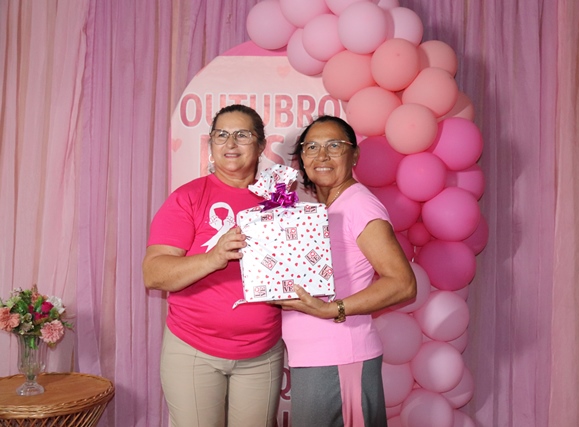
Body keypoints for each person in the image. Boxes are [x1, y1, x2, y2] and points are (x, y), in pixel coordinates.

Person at [142, 104, 284, 427]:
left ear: (261, 145)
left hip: (261, 352)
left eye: (242, 135)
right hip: (193, 349)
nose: (230, 143)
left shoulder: (279, 202)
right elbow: (153, 274)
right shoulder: (188, 197)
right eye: (221, 135)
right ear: (211, 144)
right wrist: (213, 258)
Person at [276, 115, 417, 427]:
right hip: (316, 359)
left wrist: (333, 309)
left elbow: (403, 283)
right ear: (302, 159)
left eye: (334, 146)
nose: (322, 156)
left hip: (340, 358)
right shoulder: (325, 209)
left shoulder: (359, 205)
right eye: (311, 147)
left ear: (354, 156)